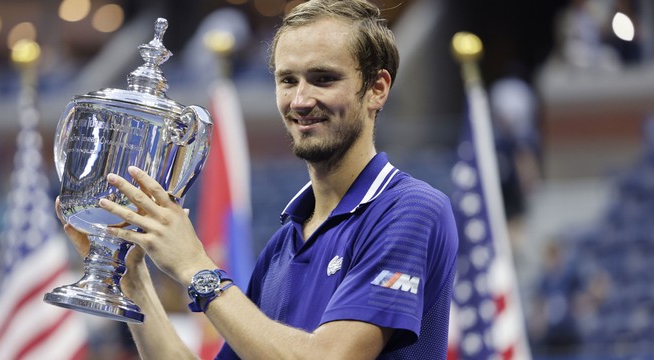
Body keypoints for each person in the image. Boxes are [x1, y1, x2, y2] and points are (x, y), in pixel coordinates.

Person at [58, 0, 458, 358]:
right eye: (288, 80)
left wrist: (196, 267)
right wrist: (133, 281)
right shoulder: (286, 241)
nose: (300, 100)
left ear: (377, 89)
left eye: (323, 78)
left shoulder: (410, 209)